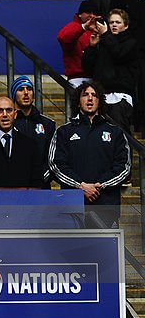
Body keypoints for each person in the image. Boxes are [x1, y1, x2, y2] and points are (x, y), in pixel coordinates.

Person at [49, 81, 131, 228]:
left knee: (106, 251)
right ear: (78, 102)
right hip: (72, 208)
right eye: (85, 95)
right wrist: (80, 186)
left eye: (94, 95)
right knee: (72, 251)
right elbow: (56, 165)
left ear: (99, 102)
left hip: (106, 207)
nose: (90, 98)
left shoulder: (116, 133)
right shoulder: (64, 132)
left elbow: (123, 167)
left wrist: (101, 185)